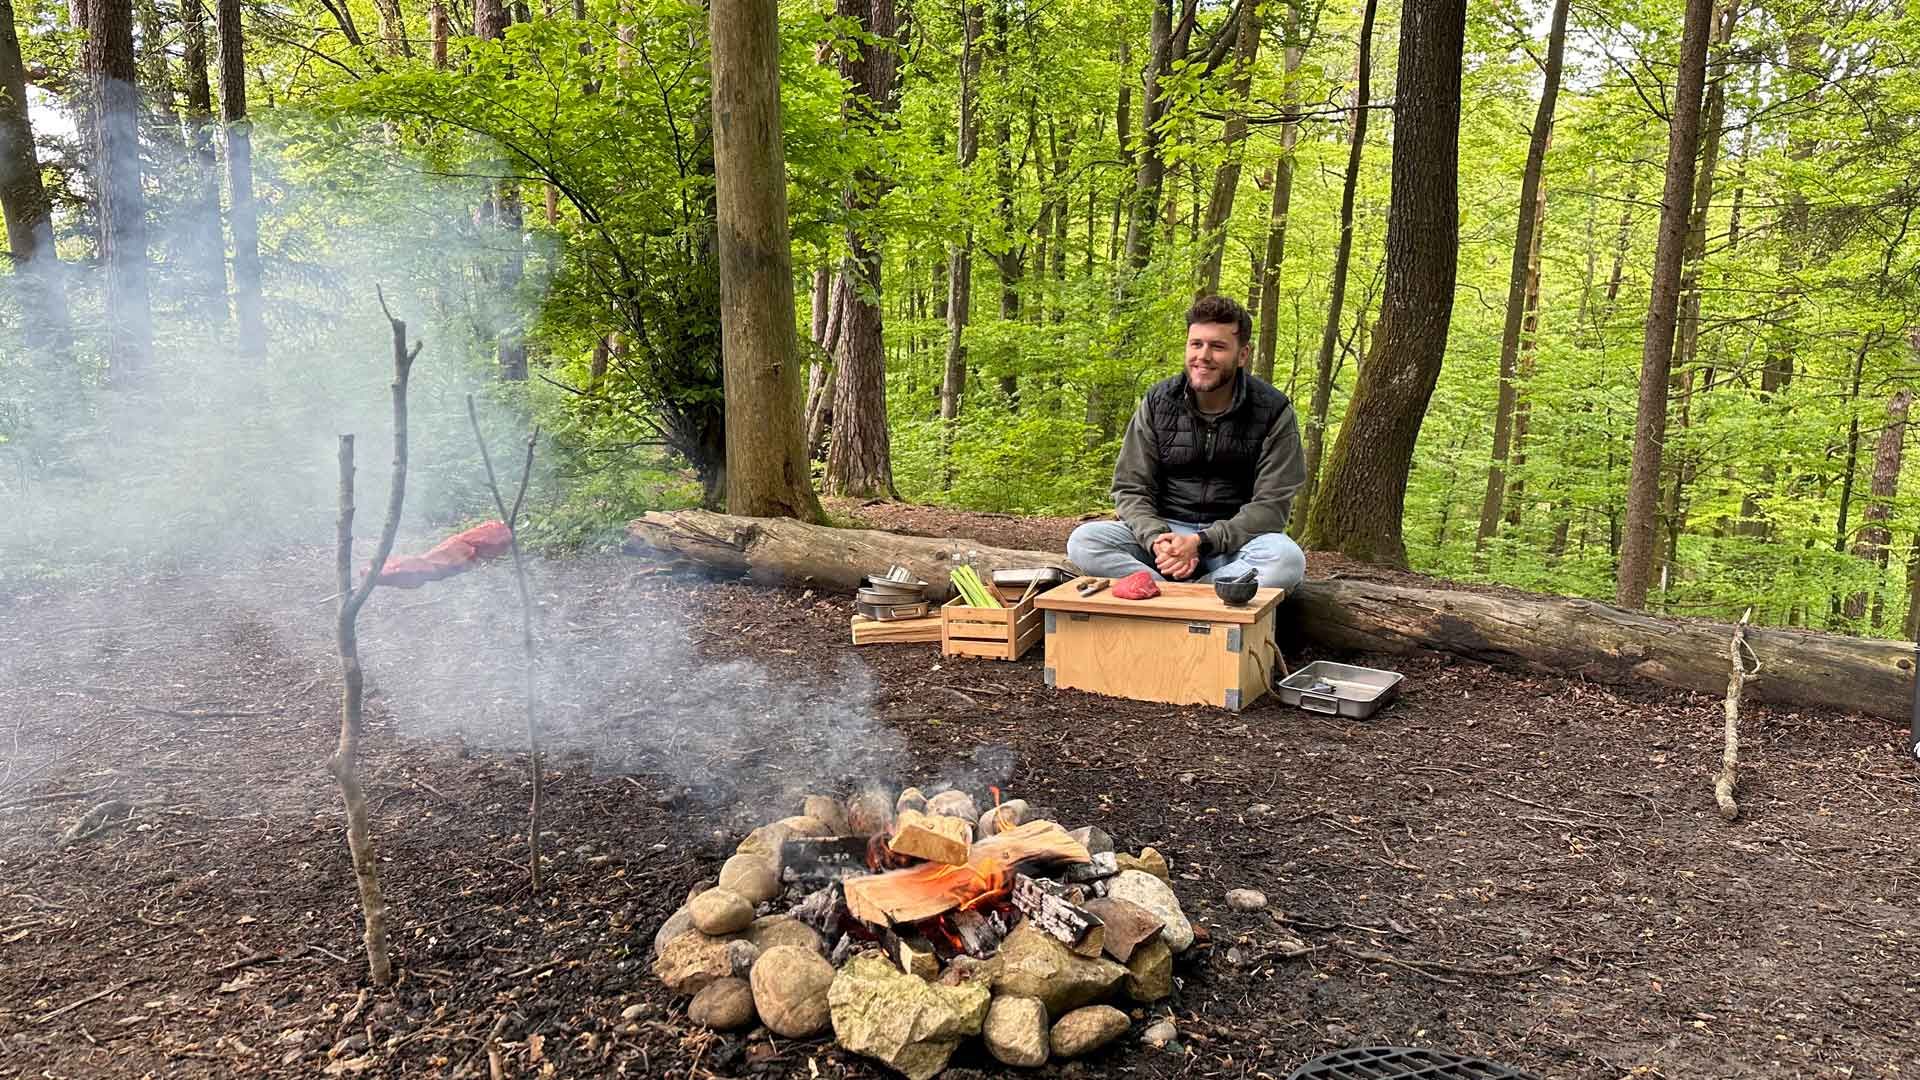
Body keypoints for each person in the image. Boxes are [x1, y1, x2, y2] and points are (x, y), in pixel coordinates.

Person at [1067, 295, 1308, 592]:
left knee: (1286, 560)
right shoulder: (1159, 401)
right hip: (1164, 537)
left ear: (1243, 354)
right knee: (1085, 540)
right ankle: (1187, 595)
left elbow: (1272, 507)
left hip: (1233, 544)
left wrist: (1201, 542)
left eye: (1217, 346)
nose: (1203, 356)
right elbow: (1130, 487)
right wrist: (1157, 539)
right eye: (1196, 344)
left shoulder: (1273, 410)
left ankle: (1183, 596)